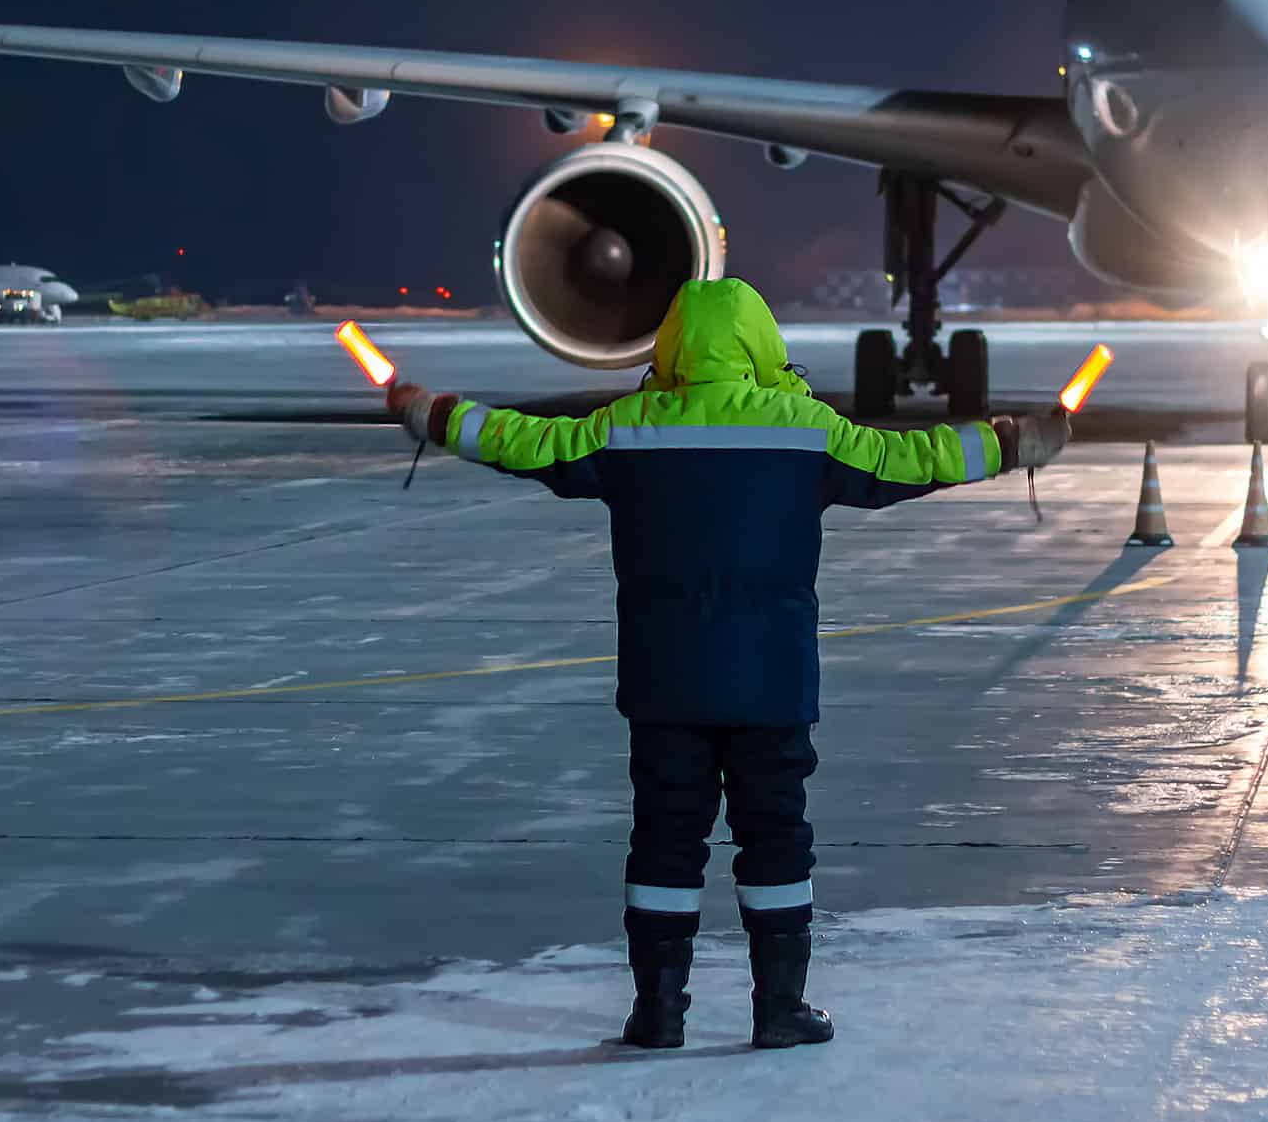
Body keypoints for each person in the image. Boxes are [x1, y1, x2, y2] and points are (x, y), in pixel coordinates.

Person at [385, 277, 1069, 1051]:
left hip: (664, 681)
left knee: (665, 839)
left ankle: (659, 1009)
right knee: (775, 838)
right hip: (772, 683)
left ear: (672, 345)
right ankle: (779, 1007)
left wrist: (430, 412)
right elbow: (914, 458)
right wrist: (1014, 440)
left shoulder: (627, 428)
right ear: (762, 344)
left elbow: (521, 441)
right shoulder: (806, 430)